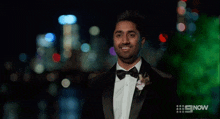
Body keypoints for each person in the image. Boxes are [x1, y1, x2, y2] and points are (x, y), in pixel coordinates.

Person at [81, 10, 179, 119]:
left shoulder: (163, 83)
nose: (125, 41)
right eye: (119, 35)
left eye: (131, 35)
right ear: (114, 40)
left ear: (142, 40)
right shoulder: (96, 85)